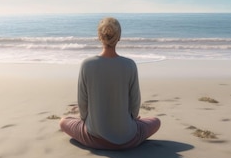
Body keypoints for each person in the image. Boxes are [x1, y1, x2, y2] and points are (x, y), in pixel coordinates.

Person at [59, 17, 160, 150]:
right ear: (119, 37)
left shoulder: (87, 64)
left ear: (99, 37)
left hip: (93, 138)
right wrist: (132, 118)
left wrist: (88, 119)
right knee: (156, 121)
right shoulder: (129, 65)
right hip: (128, 139)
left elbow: (83, 105)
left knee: (63, 121)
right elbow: (135, 105)